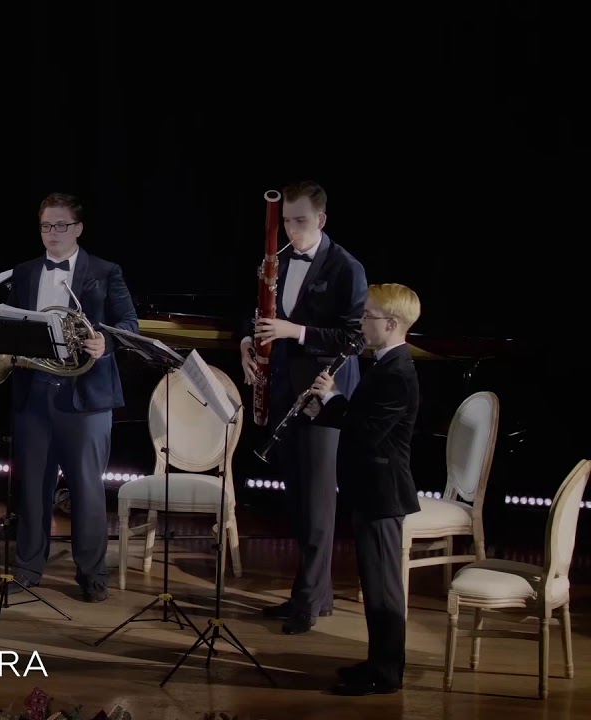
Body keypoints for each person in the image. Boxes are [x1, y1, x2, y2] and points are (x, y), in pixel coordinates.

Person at [240, 180, 367, 634]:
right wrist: (247, 340)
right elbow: (257, 312)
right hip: (283, 391)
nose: (291, 230)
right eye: (286, 222)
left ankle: (308, 603)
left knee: (317, 503)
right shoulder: (277, 259)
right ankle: (315, 595)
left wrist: (294, 332)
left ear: (322, 220)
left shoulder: (346, 267)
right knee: (296, 499)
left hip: (321, 394)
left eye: (300, 221)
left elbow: (354, 336)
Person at [2, 192, 138, 602]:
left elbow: (128, 322)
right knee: (33, 487)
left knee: (87, 490)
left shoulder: (105, 271)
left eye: (61, 225)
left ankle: (92, 575)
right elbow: (12, 323)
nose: (53, 233)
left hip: (86, 396)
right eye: (46, 225)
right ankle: (28, 567)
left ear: (78, 228)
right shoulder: (25, 272)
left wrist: (105, 342)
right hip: (35, 392)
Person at [309, 283, 421, 695]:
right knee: (373, 584)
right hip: (369, 490)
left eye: (367, 316)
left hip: (383, 492)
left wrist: (334, 398)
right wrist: (327, 407)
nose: (360, 323)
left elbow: (368, 432)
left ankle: (387, 674)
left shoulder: (398, 373)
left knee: (385, 589)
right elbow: (361, 419)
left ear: (390, 324)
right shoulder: (386, 365)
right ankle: (377, 662)